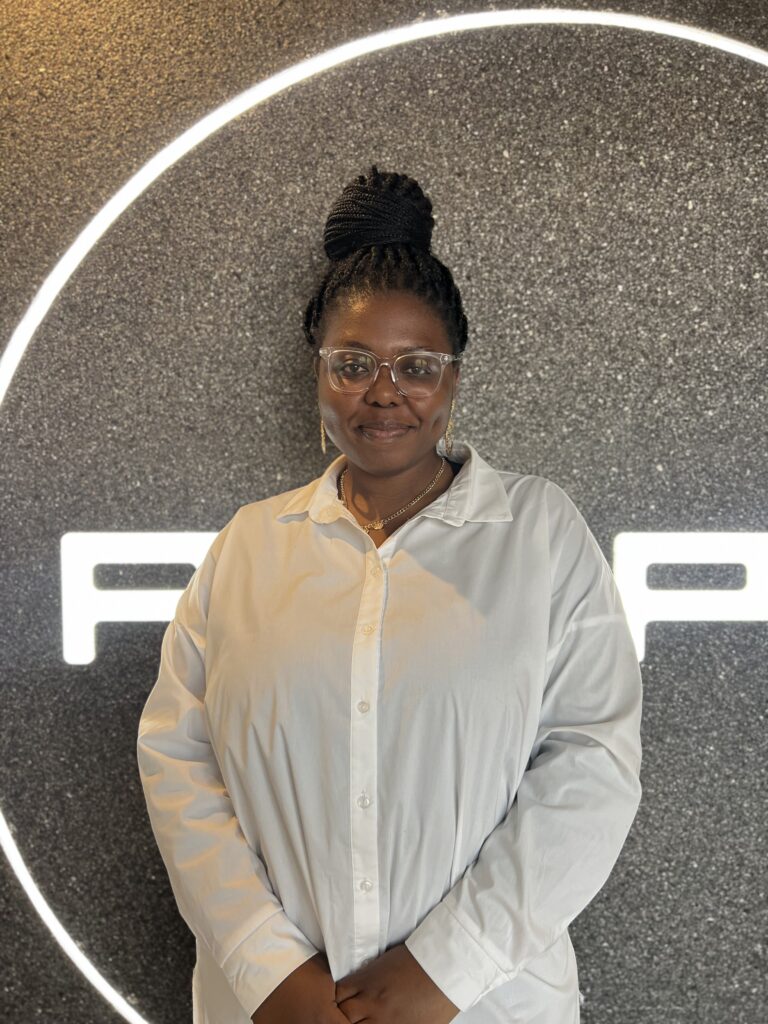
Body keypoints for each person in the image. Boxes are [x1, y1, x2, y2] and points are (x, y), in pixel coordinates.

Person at [136, 164, 643, 1024]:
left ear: (454, 379)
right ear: (318, 376)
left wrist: (446, 968)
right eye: (353, 364)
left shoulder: (540, 535)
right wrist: (266, 966)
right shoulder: (250, 546)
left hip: (486, 1003)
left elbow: (592, 762)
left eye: (416, 365)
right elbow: (180, 761)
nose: (384, 391)